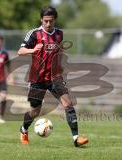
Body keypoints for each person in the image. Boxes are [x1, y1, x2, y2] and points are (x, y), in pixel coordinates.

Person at [17, 6, 88, 147]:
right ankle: (24, 129)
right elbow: (20, 51)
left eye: (51, 21)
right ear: (41, 20)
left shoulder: (59, 34)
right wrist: (32, 49)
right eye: (46, 21)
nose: (48, 24)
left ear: (55, 20)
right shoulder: (34, 34)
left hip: (55, 77)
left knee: (68, 104)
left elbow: (58, 51)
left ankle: (76, 138)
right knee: (35, 111)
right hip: (37, 78)